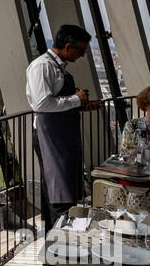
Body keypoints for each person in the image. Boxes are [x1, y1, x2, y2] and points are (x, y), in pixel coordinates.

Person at [26, 24, 100, 228]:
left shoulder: (56, 66)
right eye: (81, 51)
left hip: (60, 135)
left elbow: (55, 102)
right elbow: (42, 104)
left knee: (58, 188)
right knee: (58, 190)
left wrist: (80, 105)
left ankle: (55, 242)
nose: (82, 55)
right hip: (49, 137)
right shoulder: (42, 66)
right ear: (68, 47)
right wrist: (76, 100)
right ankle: (57, 244)